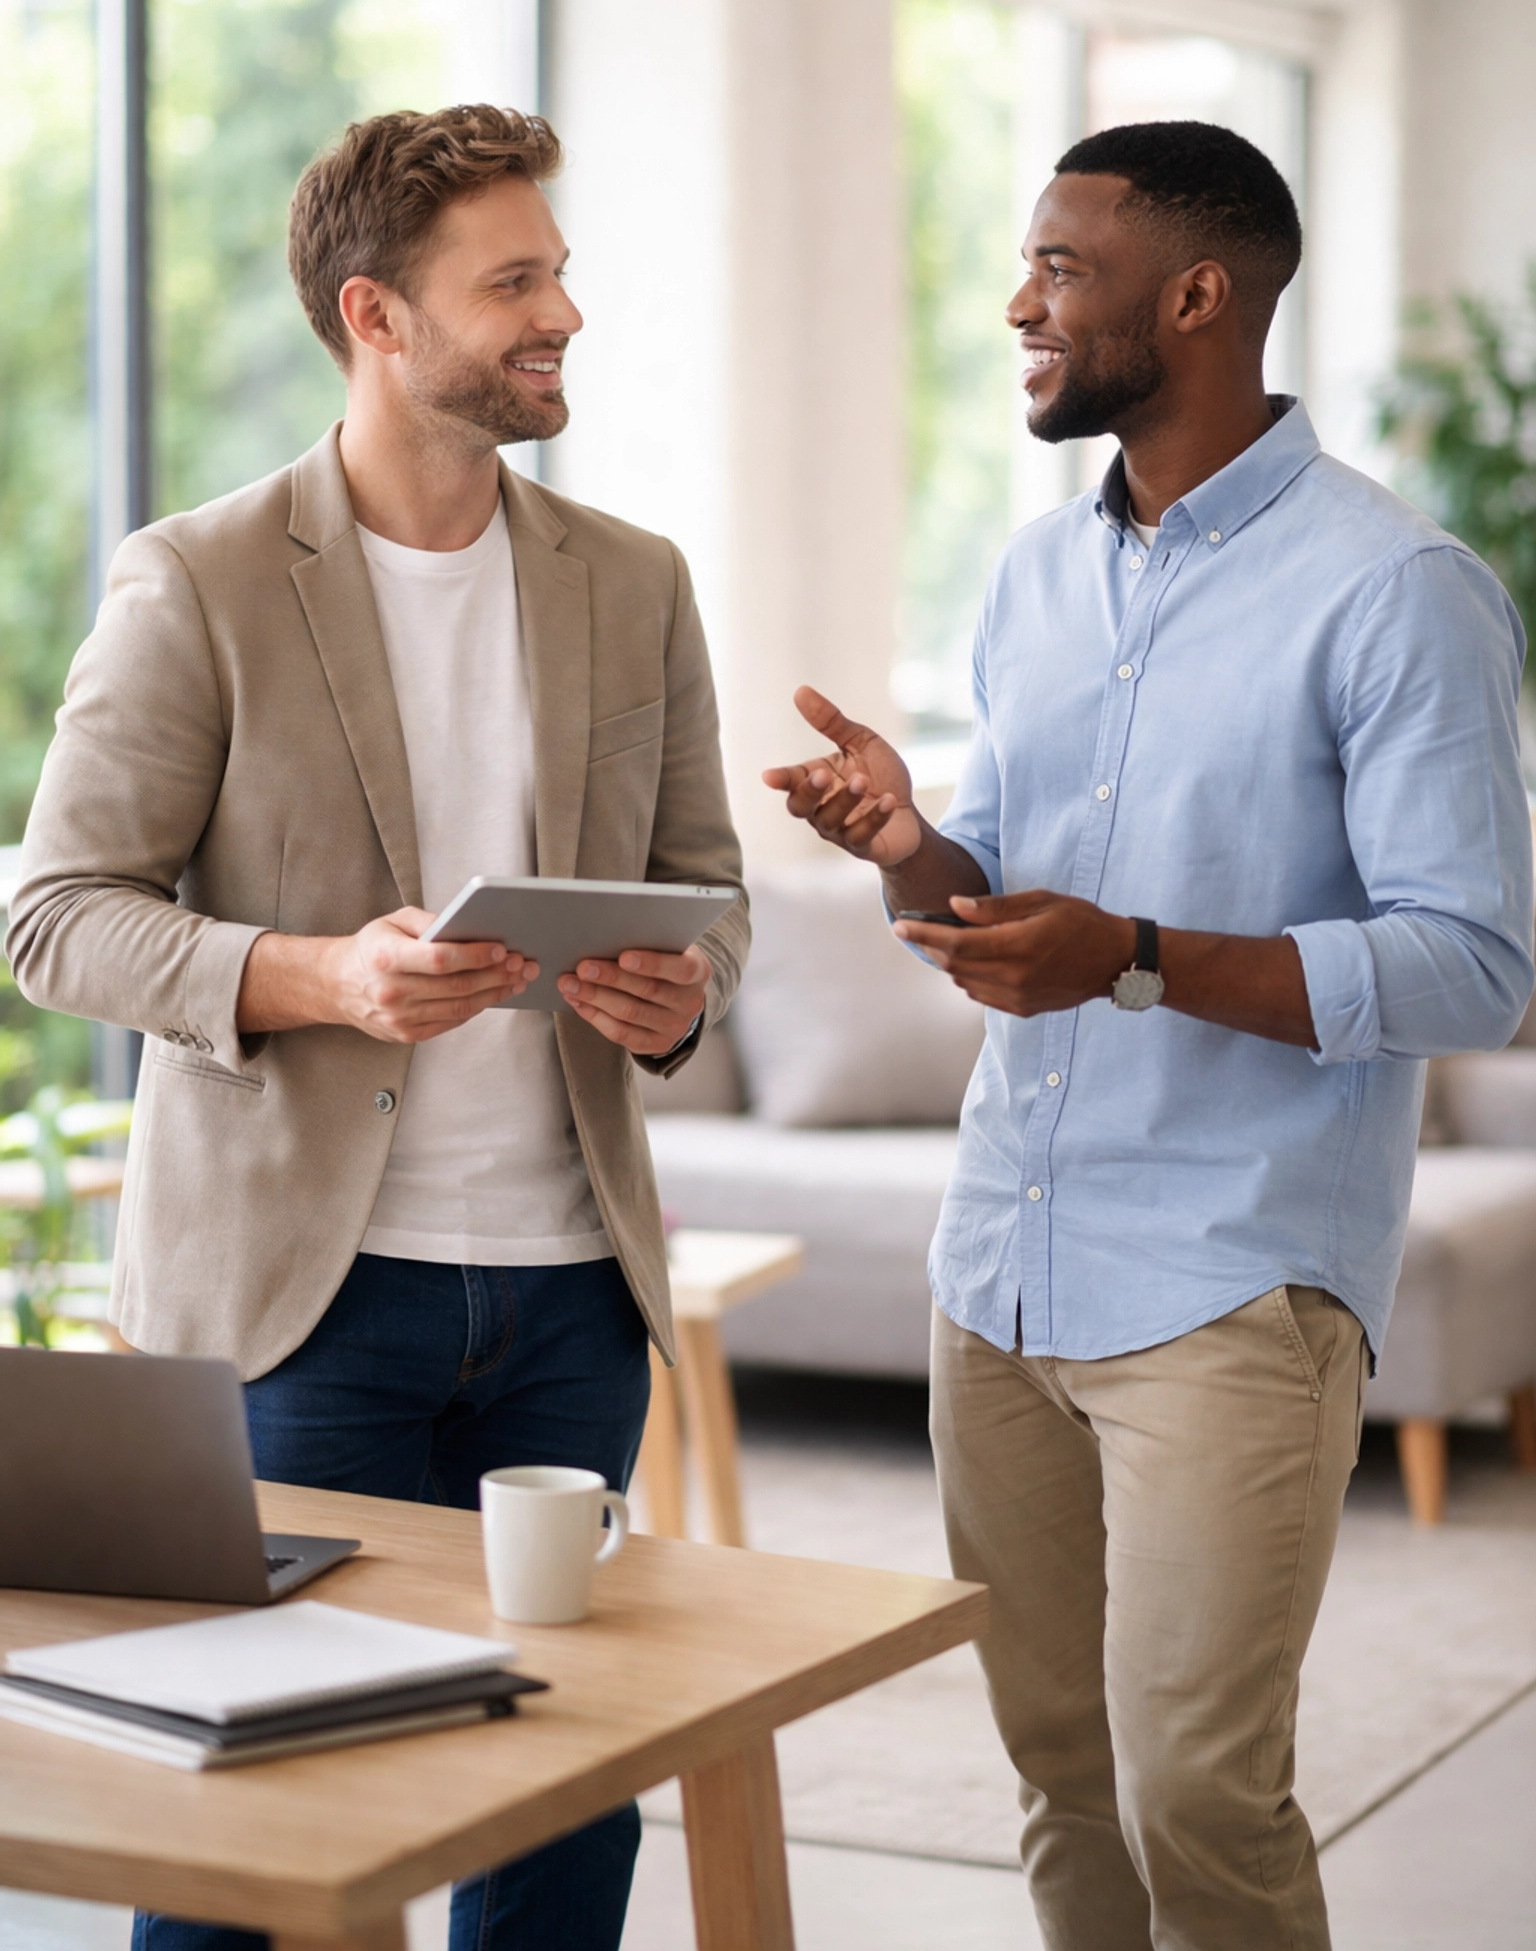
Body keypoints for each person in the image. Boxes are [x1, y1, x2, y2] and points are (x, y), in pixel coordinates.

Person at [764, 120, 1533, 1951]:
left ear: (1196, 297)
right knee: (1058, 1766)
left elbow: (1477, 967)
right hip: (1002, 1266)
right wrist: (909, 849)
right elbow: (1003, 910)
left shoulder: (1399, 591)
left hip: (1233, 1283)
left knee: (1195, 1781)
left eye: (1059, 268)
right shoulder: (1037, 579)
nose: (1017, 302)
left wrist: (1138, 957)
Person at [8, 103, 748, 1951]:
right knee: (265, 1822)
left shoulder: (633, 580)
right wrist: (326, 975)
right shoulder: (202, 578)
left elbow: (704, 887)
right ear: (377, 316)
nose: (561, 310)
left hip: (576, 1295)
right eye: (514, 282)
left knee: (565, 1806)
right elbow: (55, 919)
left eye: (559, 271)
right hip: (302, 1308)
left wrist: (681, 990)